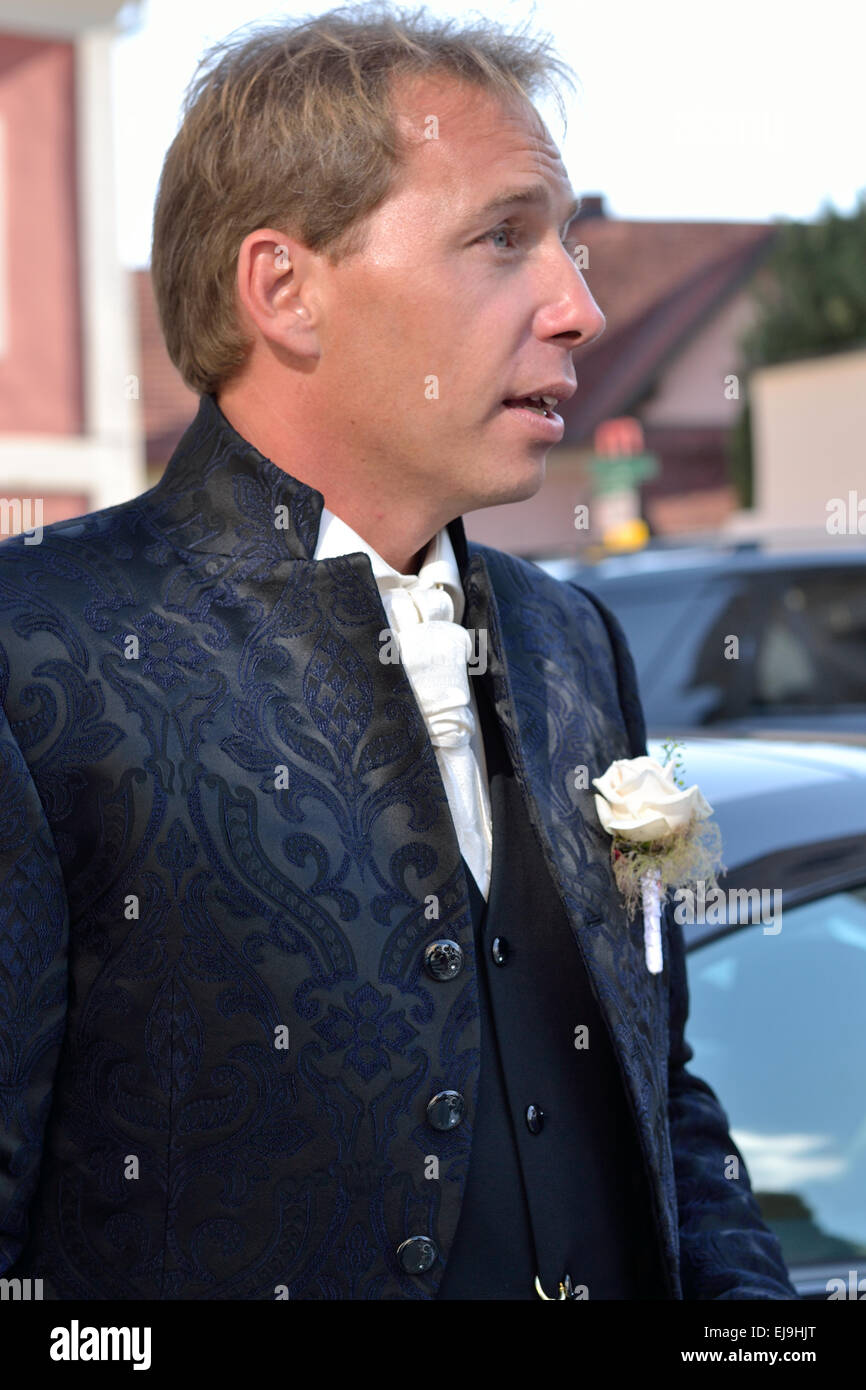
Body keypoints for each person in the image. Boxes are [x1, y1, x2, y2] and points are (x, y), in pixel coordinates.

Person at [0, 4, 797, 1300]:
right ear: (285, 290)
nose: (580, 309)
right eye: (503, 238)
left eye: (574, 248)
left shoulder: (570, 643)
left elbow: (662, 1103)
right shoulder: (31, 650)